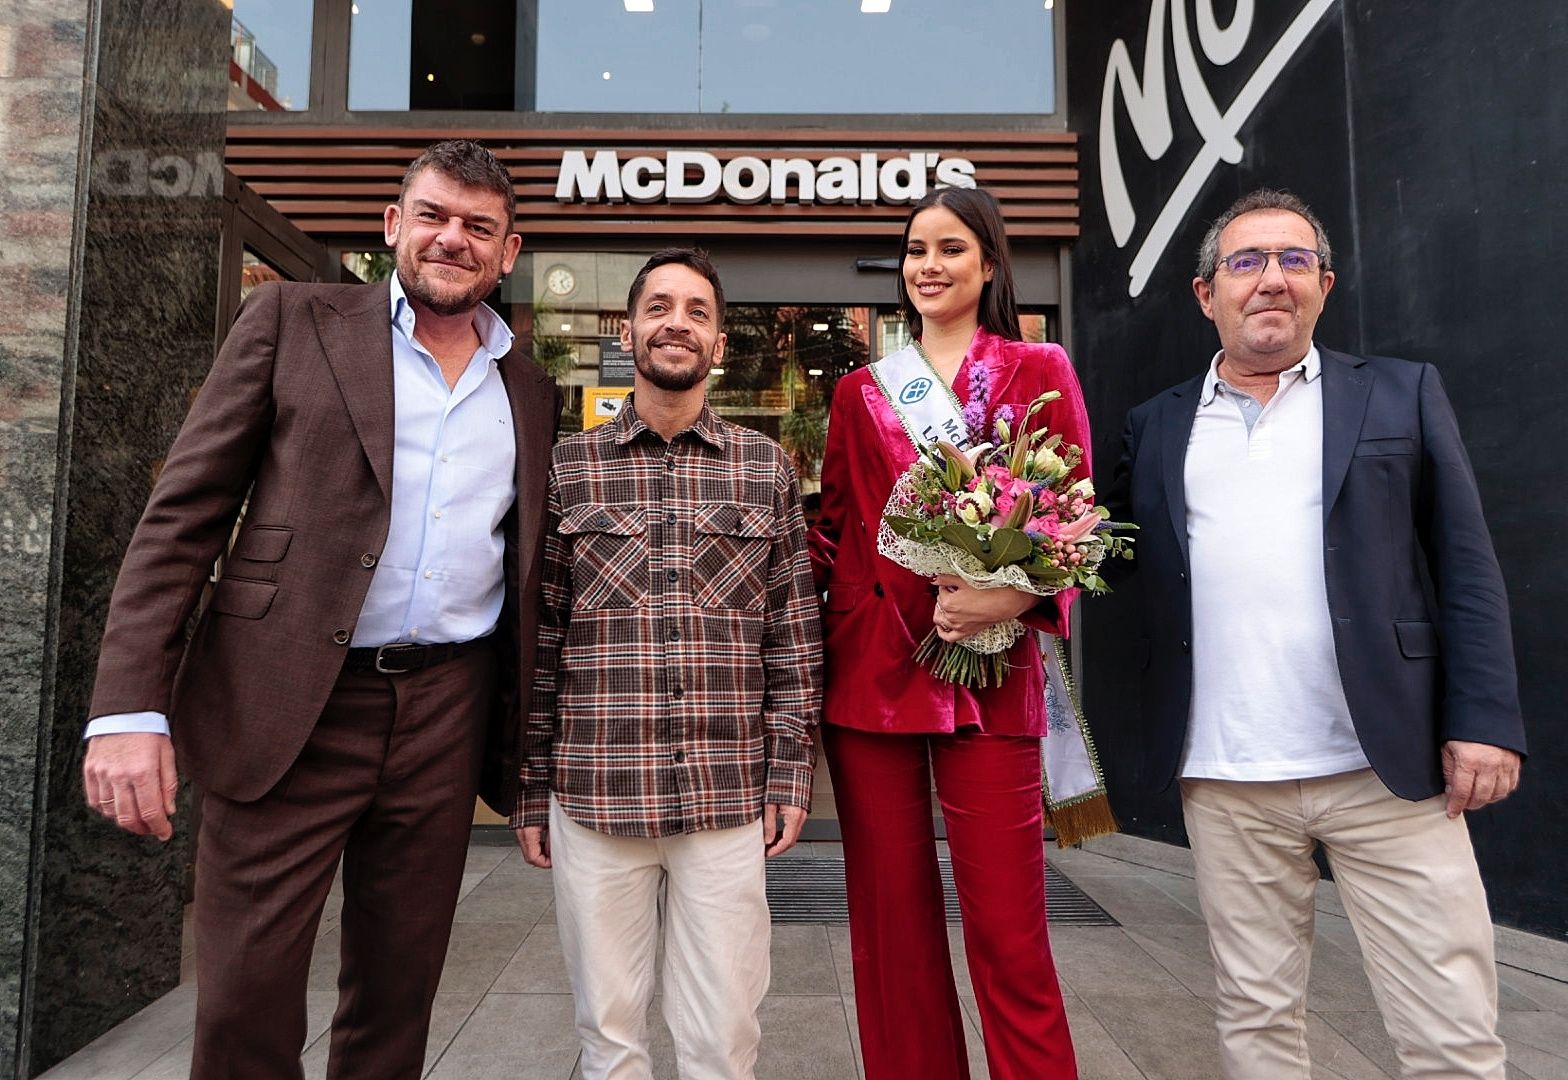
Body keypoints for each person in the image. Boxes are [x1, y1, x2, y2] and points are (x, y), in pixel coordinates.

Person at [80, 139, 560, 1078]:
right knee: (245, 992)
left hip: (446, 710)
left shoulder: (529, 389)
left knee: (399, 988)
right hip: (287, 694)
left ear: (509, 253)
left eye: (478, 227)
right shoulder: (292, 320)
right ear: (393, 226)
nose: (451, 239)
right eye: (432, 215)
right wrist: (129, 709)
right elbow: (182, 516)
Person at [1106, 188, 1525, 1078]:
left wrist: (1484, 719)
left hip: (1391, 770)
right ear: (1205, 291)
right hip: (1227, 775)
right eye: (1247, 262)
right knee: (1256, 1023)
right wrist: (991, 568)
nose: (1271, 281)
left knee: (1452, 1025)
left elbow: (1467, 565)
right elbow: (1102, 559)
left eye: (1294, 261)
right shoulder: (1156, 424)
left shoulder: (1402, 393)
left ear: (1324, 286)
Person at [513, 248, 822, 1080]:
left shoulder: (765, 470)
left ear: (720, 344)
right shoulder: (568, 466)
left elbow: (793, 635)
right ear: (628, 331)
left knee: (724, 1036)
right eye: (659, 307)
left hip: (725, 796)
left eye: (697, 311)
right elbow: (541, 643)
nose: (676, 323)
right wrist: (530, 785)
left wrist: (790, 775)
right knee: (608, 1034)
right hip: (594, 790)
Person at [807, 187, 1083, 1080]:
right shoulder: (861, 390)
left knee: (1008, 932)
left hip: (994, 678)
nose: (929, 265)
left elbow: (1073, 519)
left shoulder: (1039, 365)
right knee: (891, 935)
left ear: (990, 263)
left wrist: (1013, 600)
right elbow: (836, 528)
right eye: (916, 249)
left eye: (952, 248)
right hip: (873, 676)